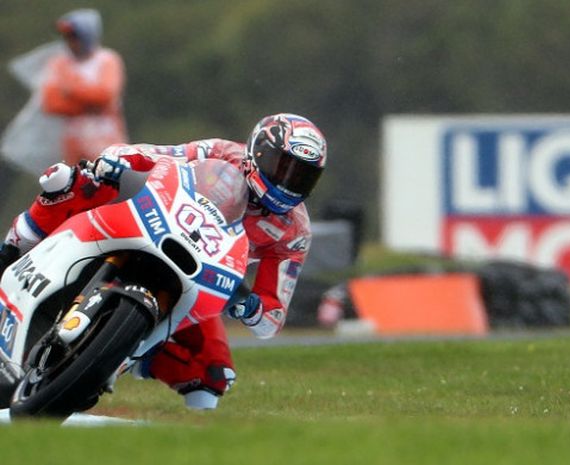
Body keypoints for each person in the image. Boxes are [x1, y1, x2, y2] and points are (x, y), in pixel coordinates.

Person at [0, 113, 327, 409]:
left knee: (215, 372)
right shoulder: (223, 152)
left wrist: (252, 308)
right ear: (257, 152)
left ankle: (194, 440)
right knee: (72, 181)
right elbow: (160, 156)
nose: (288, 182)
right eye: (282, 166)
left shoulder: (293, 232)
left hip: (199, 277)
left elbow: (273, 316)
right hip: (153, 222)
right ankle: (14, 249)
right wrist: (119, 162)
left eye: (302, 177)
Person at [41, 8, 127, 165]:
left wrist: (70, 90)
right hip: (74, 139)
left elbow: (105, 96)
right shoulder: (59, 64)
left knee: (111, 177)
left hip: (106, 135)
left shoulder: (107, 60)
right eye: (67, 37)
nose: (70, 42)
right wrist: (88, 103)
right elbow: (51, 103)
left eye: (74, 37)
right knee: (74, 183)